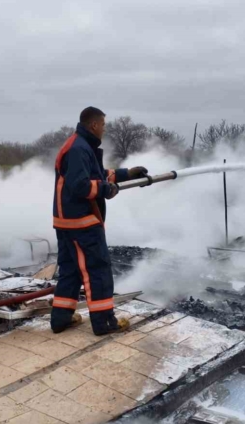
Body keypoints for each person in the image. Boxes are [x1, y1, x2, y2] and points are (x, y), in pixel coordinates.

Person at [51, 106, 148, 336]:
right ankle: (105, 322)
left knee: (72, 270)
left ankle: (61, 319)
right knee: (99, 269)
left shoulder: (81, 145)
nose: (104, 129)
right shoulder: (78, 148)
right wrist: (106, 189)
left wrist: (127, 173)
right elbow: (81, 185)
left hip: (69, 222)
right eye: (103, 124)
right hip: (81, 222)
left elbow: (95, 174)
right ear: (94, 124)